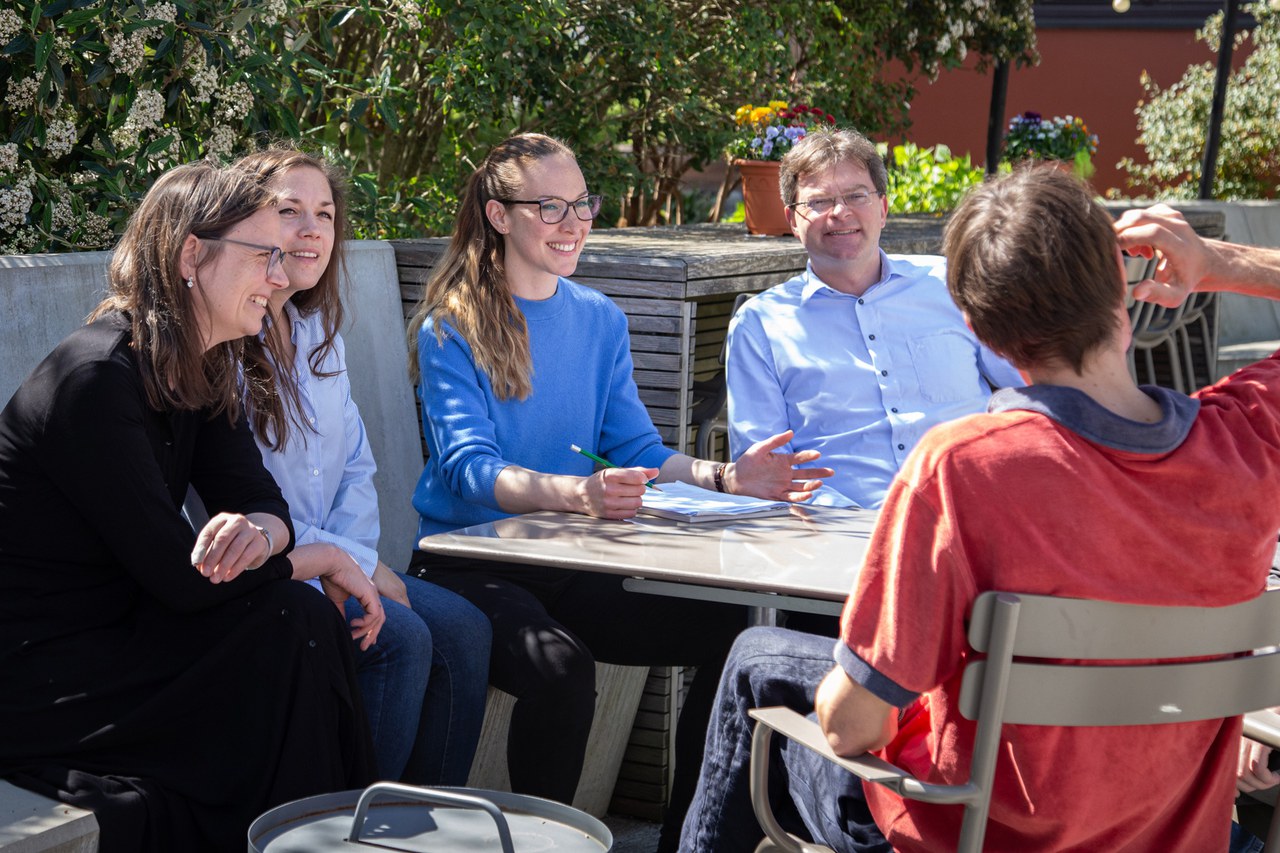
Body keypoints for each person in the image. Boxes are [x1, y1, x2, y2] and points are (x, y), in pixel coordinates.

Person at [679, 167, 1280, 852]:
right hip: (1178, 834)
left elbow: (852, 728)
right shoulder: (1249, 434)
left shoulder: (962, 467)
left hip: (973, 831)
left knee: (758, 657)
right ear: (1122, 291)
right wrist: (1219, 262)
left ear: (977, 330)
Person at [405, 132, 833, 851]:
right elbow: (467, 470)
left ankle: (690, 841)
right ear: (499, 214)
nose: (573, 222)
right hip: (468, 563)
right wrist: (580, 494)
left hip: (576, 561)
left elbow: (635, 447)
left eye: (582, 204)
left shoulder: (599, 317)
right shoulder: (452, 326)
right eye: (550, 206)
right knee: (560, 668)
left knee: (742, 633)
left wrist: (727, 478)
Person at [0, 162, 379, 853]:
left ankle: (318, 837)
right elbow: (181, 579)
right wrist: (320, 557)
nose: (279, 276)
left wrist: (261, 535)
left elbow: (262, 501)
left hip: (129, 635)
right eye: (263, 256)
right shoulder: (94, 380)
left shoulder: (200, 366)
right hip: (50, 674)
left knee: (297, 621)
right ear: (190, 256)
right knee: (294, 621)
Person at [233, 148, 491, 785]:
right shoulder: (228, 341)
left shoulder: (317, 330)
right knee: (400, 639)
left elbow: (355, 466)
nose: (312, 230)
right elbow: (235, 496)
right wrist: (354, 567)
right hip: (269, 569)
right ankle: (352, 823)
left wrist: (356, 561)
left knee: (464, 630)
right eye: (289, 211)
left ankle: (426, 818)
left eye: (324, 214)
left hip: (339, 556)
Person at [726, 128, 1022, 509]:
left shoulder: (950, 285)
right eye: (819, 201)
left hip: (974, 512)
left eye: (856, 195)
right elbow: (765, 473)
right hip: (840, 529)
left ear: (882, 209)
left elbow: (1031, 385)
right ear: (792, 220)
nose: (840, 212)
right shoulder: (760, 326)